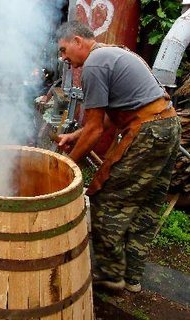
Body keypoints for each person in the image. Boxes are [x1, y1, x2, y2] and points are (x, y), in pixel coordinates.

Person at [55, 21, 181, 293]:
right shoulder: (112, 53)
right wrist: (74, 137)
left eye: (64, 50)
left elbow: (95, 130)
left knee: (106, 199)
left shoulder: (94, 65)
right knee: (146, 205)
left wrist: (64, 165)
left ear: (78, 41)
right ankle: (132, 277)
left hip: (148, 131)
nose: (64, 58)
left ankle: (111, 275)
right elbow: (103, 123)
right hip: (168, 125)